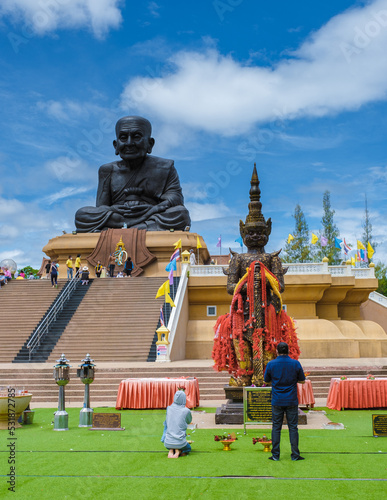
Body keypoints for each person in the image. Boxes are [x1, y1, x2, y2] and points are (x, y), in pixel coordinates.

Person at [212, 166, 299, 387]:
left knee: (270, 343)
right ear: (242, 233)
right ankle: (245, 375)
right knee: (241, 344)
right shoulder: (238, 259)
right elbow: (230, 287)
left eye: (260, 232)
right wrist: (247, 282)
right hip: (244, 311)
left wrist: (265, 279)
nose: (255, 236)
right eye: (250, 232)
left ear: (268, 232)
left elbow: (280, 286)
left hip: (268, 311)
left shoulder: (272, 258)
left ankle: (267, 377)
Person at [74, 116, 191, 232]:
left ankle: (121, 229)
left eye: (136, 137)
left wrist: (153, 209)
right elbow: (101, 207)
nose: (129, 143)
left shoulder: (165, 167)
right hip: (120, 216)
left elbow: (175, 198)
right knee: (82, 214)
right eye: (123, 138)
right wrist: (115, 209)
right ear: (116, 145)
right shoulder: (107, 170)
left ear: (150, 144)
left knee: (181, 214)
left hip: (152, 214)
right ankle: (141, 228)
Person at [264, 342, 306, 462]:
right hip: (291, 399)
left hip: (277, 399)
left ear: (277, 351)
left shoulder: (271, 364)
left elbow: (266, 381)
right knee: (293, 427)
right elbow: (302, 381)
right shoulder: (295, 363)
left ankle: (275, 455)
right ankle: (295, 454)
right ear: (288, 351)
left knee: (276, 427)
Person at [161, 390, 192, 458]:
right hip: (180, 443)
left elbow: (167, 422)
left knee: (170, 442)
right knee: (188, 448)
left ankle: (171, 450)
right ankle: (179, 451)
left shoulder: (168, 408)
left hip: (167, 443)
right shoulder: (186, 411)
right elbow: (189, 421)